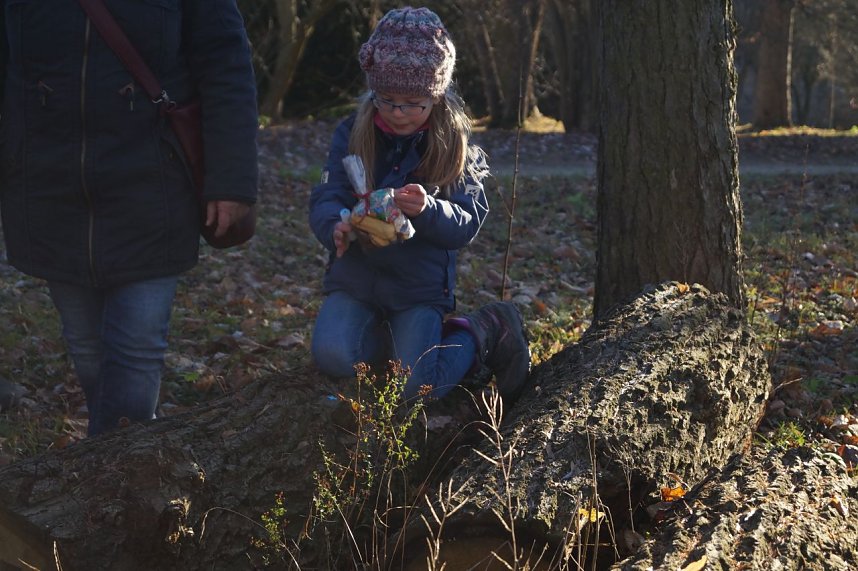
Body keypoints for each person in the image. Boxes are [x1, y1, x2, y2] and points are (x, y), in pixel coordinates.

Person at [0, 1, 259, 436]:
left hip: (153, 181)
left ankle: (117, 474)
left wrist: (231, 181)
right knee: (87, 348)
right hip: (47, 184)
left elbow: (227, 66)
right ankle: (117, 462)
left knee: (136, 348)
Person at [309, 6, 530, 403]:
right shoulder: (353, 131)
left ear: (436, 95)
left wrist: (427, 209)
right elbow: (328, 195)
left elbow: (465, 221)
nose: (397, 113)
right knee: (333, 356)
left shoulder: (454, 145)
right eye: (387, 99)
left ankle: (482, 330)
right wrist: (336, 226)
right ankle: (389, 343)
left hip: (418, 288)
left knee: (417, 389)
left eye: (413, 103)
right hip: (356, 279)